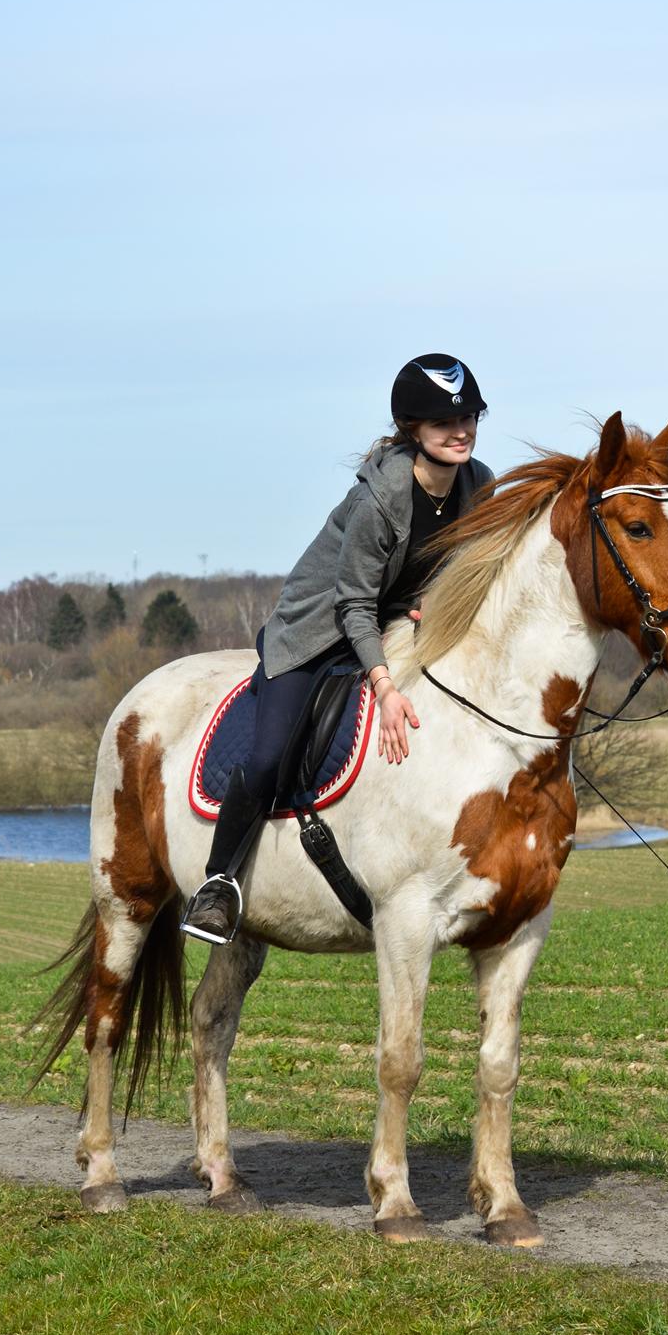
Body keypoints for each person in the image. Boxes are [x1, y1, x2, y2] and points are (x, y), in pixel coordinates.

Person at [181, 353, 494, 944]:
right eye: (442, 422)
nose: (461, 431)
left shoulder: (478, 484)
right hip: (317, 634)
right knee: (271, 755)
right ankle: (217, 884)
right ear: (412, 430)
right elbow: (352, 604)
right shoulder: (382, 497)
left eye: (469, 418)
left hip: (390, 625)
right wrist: (385, 686)